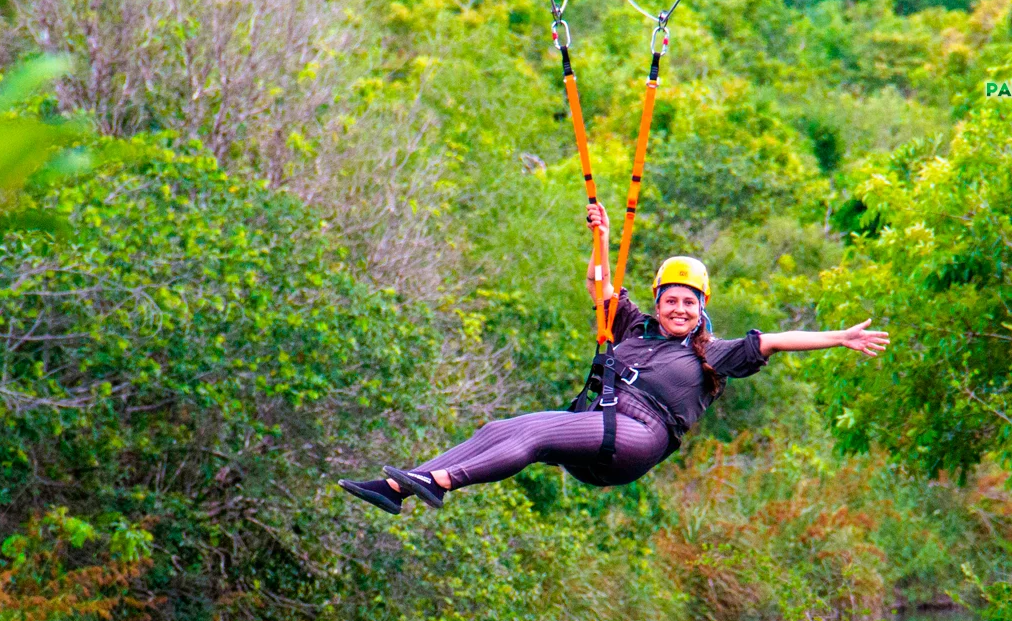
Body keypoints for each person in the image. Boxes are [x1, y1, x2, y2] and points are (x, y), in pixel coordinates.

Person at [339, 201, 889, 514]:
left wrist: (837, 337)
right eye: (670, 300)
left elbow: (774, 340)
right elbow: (600, 287)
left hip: (636, 438)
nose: (678, 309)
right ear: (657, 302)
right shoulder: (634, 326)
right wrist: (600, 237)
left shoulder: (712, 354)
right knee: (499, 425)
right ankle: (400, 486)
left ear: (702, 309)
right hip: (597, 426)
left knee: (532, 437)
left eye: (688, 302)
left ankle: (440, 483)